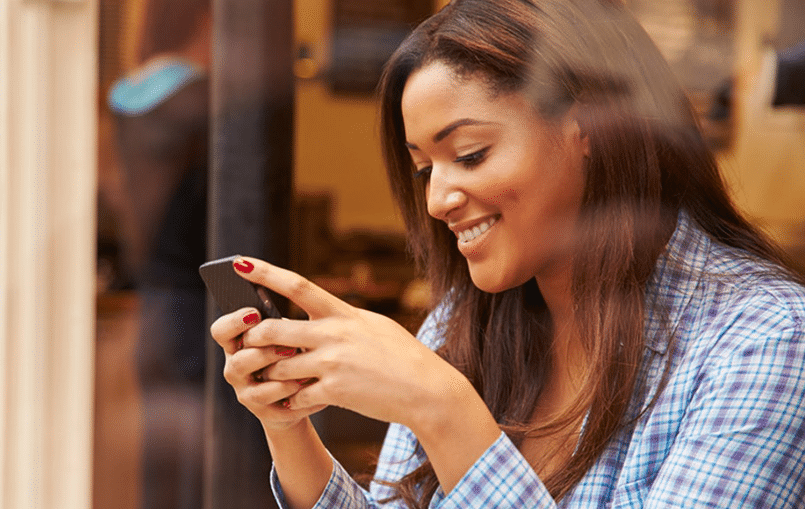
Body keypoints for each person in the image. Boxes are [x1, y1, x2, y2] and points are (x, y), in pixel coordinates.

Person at [210, 0, 805, 507]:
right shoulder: (465, 320)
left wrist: (442, 408)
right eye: (423, 169)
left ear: (589, 127)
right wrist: (288, 426)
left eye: (470, 154)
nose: (438, 199)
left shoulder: (766, 340)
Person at [107, 1, 211, 507]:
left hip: (155, 306)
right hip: (196, 309)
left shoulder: (127, 98)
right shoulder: (201, 101)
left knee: (162, 467)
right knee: (202, 469)